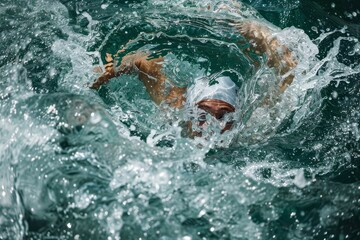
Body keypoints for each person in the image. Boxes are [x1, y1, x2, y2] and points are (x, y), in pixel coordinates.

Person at [90, 20, 297, 136]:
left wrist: (259, 33)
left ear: (238, 115)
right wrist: (106, 73)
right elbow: (143, 60)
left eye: (224, 116)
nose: (211, 126)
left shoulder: (250, 129)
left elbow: (288, 71)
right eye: (202, 114)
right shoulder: (172, 107)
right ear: (188, 111)